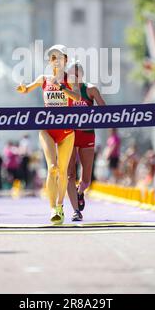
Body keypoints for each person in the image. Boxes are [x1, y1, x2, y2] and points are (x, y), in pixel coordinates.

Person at [16, 44, 81, 225]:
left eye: (59, 57)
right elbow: (28, 89)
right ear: (49, 61)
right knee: (52, 168)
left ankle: (60, 206)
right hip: (47, 129)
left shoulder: (71, 79)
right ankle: (52, 208)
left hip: (67, 131)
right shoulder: (43, 79)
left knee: (62, 170)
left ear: (65, 60)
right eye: (52, 57)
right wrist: (23, 88)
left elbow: (77, 97)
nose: (56, 60)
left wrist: (62, 88)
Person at [67, 61, 106, 221]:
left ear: (81, 75)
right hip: (69, 135)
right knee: (70, 174)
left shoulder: (90, 89)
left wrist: (90, 113)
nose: (74, 77)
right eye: (71, 74)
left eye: (77, 74)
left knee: (86, 179)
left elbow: (105, 110)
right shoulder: (64, 90)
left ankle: (80, 192)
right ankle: (76, 210)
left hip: (87, 135)